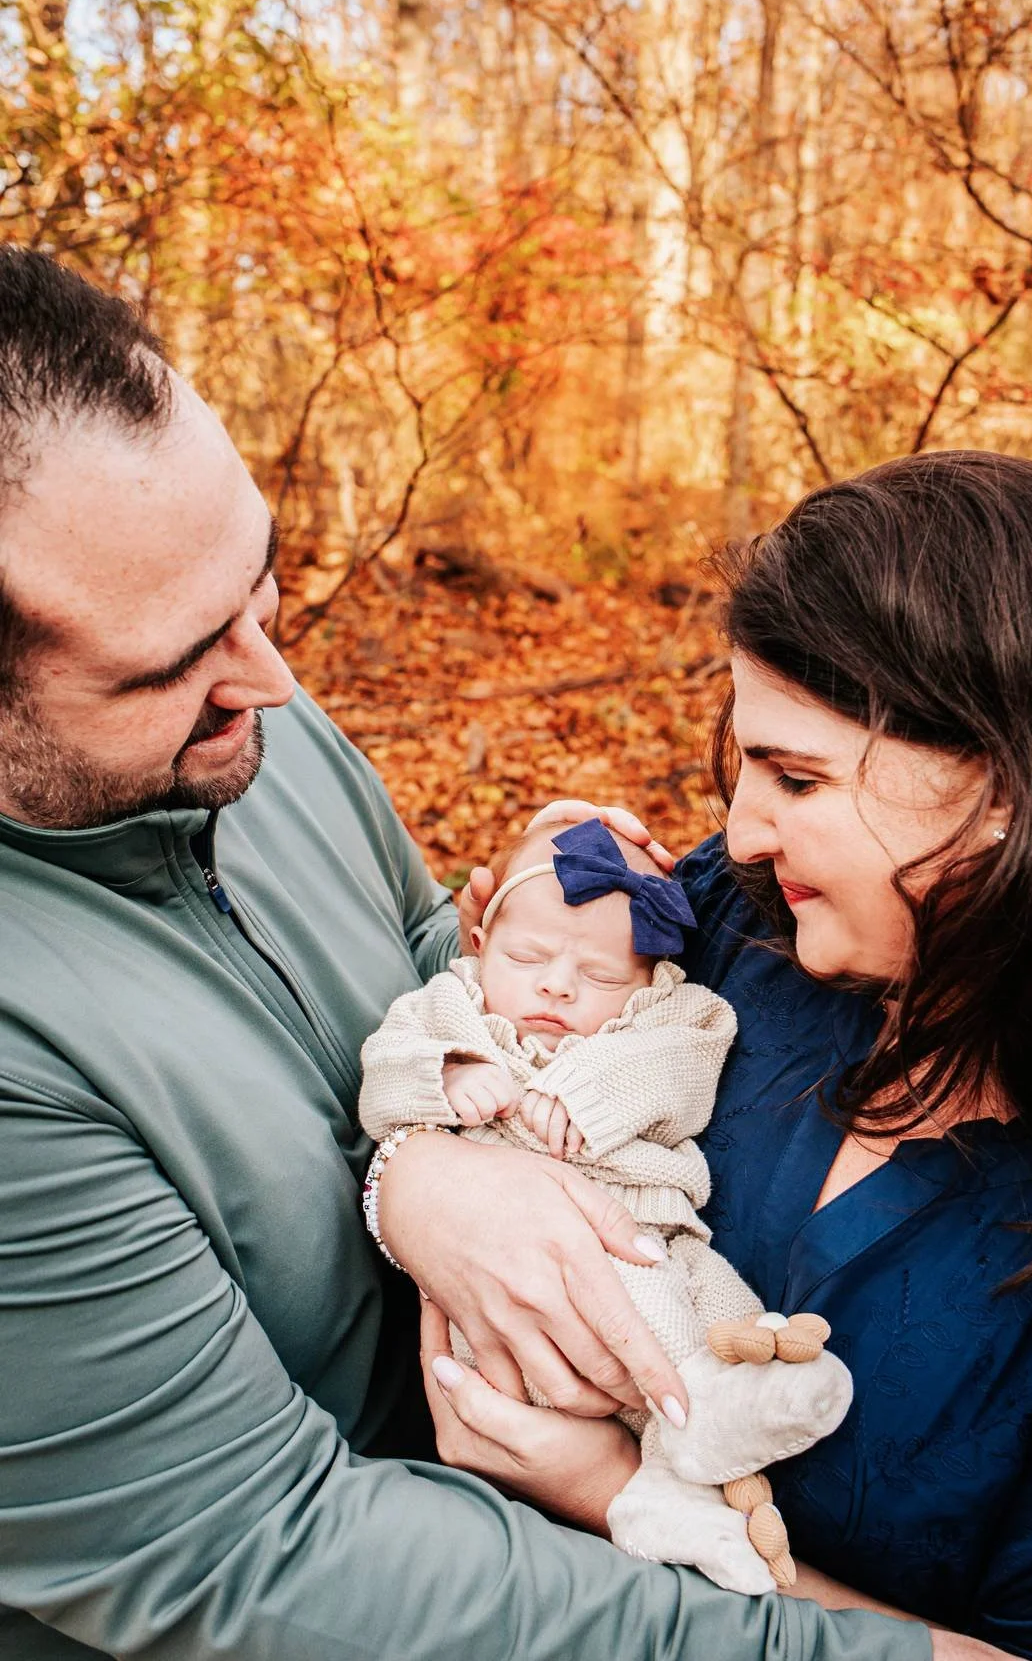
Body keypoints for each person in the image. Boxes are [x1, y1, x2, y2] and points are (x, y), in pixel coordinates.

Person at [0, 245, 932, 1661]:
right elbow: (257, 1560)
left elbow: (435, 954)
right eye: (170, 663)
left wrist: (435, 1160)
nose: (279, 681)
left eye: (259, 585)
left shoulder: (254, 727)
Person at [379, 453, 1032, 1661]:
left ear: (1013, 784)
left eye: (798, 777)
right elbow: (477, 1005)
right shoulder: (744, 917)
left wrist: (614, 1492)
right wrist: (425, 1183)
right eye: (748, 760)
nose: (742, 825)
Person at [358, 816, 854, 1595]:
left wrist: (586, 1091)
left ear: (650, 979)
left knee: (711, 1296)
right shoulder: (447, 1008)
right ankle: (690, 1435)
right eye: (527, 957)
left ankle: (726, 1411)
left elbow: (692, 1054)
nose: (557, 985)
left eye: (602, 976)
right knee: (630, 1290)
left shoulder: (666, 1014)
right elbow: (384, 1072)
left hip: (657, 1227)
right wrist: (443, 1077)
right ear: (481, 942)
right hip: (518, 1268)